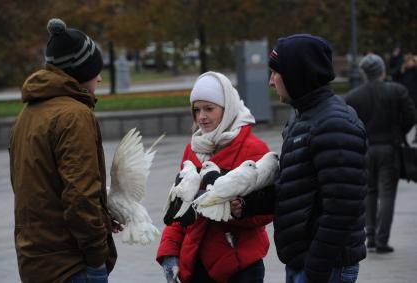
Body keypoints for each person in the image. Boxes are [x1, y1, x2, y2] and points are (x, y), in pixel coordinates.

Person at [232, 34, 368, 283]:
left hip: (324, 268)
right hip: (305, 263)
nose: (271, 82)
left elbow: (342, 208)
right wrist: (249, 205)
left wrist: (315, 269)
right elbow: (294, 190)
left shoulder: (334, 123)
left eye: (275, 73)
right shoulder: (303, 118)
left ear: (297, 74)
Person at [9, 18, 118, 283]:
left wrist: (102, 218)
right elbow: (80, 196)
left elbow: (39, 189)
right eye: (95, 70)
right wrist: (96, 257)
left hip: (35, 260)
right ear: (80, 72)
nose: (100, 78)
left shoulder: (27, 114)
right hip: (71, 265)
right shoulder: (74, 116)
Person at [156, 71, 274, 283]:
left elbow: (267, 210)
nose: (201, 116)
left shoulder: (254, 149)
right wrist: (169, 251)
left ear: (227, 108)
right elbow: (179, 206)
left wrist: (239, 209)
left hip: (240, 266)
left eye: (209, 109)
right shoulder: (192, 149)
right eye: (196, 109)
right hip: (196, 262)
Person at [345, 54, 416, 253]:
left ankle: (371, 237)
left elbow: (349, 123)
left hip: (366, 148)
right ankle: (382, 239)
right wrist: (399, 132)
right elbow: (411, 116)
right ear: (382, 70)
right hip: (389, 148)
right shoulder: (397, 91)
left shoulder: (353, 96)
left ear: (364, 74)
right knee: (387, 194)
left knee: (369, 193)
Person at [397, 54, 417, 142]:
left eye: (410, 61)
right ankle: (403, 136)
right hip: (404, 98)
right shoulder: (403, 71)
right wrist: (401, 70)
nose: (408, 63)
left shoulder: (415, 70)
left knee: (414, 118)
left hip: (415, 98)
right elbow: (394, 77)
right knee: (404, 119)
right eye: (407, 61)